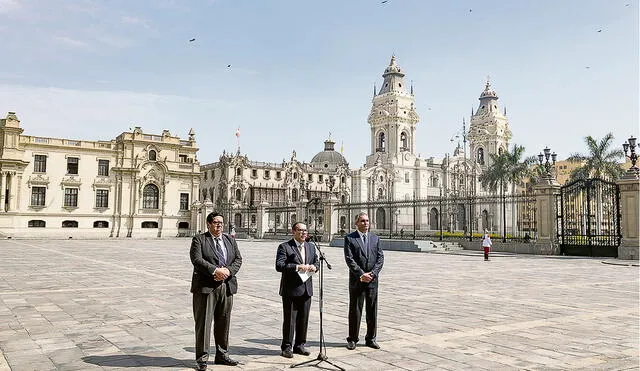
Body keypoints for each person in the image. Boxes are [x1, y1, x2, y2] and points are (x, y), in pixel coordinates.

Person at [190, 212, 243, 370]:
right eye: (215, 222)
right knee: (204, 324)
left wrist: (227, 271)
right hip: (206, 287)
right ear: (208, 224)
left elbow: (238, 259)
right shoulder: (199, 240)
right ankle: (202, 358)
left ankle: (222, 354)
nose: (219, 225)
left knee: (223, 322)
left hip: (226, 287)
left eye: (221, 222)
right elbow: (197, 260)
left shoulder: (229, 240)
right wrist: (215, 271)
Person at [275, 222, 320, 358]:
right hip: (291, 289)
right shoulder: (285, 246)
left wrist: (314, 267)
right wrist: (296, 267)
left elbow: (317, 261)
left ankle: (300, 345)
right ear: (293, 232)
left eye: (305, 230)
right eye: (300, 230)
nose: (303, 233)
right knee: (290, 319)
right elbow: (279, 265)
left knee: (304, 319)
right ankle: (287, 347)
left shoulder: (311, 247)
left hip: (306, 289)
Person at [343, 212, 384, 350]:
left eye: (367, 221)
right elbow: (350, 259)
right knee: (355, 309)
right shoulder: (349, 238)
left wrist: (373, 273)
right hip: (357, 280)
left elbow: (380, 258)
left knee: (372, 309)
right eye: (362, 221)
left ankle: (371, 338)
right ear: (356, 223)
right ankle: (352, 338)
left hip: (372, 280)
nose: (365, 223)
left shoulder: (375, 238)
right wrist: (361, 274)